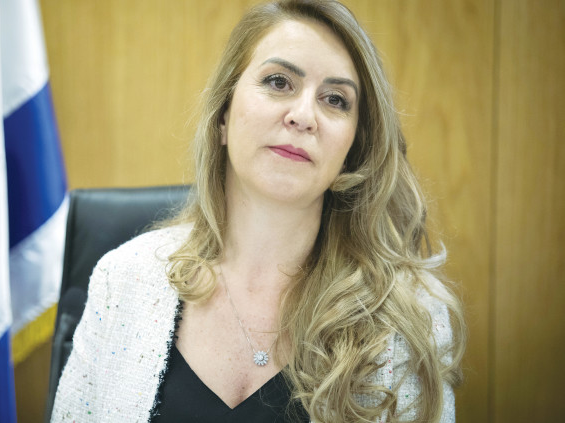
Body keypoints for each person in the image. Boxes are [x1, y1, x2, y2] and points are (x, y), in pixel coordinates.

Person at [50, 0, 466, 422]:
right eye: (279, 82)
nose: (303, 116)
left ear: (353, 149)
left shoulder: (409, 317)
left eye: (335, 99)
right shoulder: (123, 281)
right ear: (223, 115)